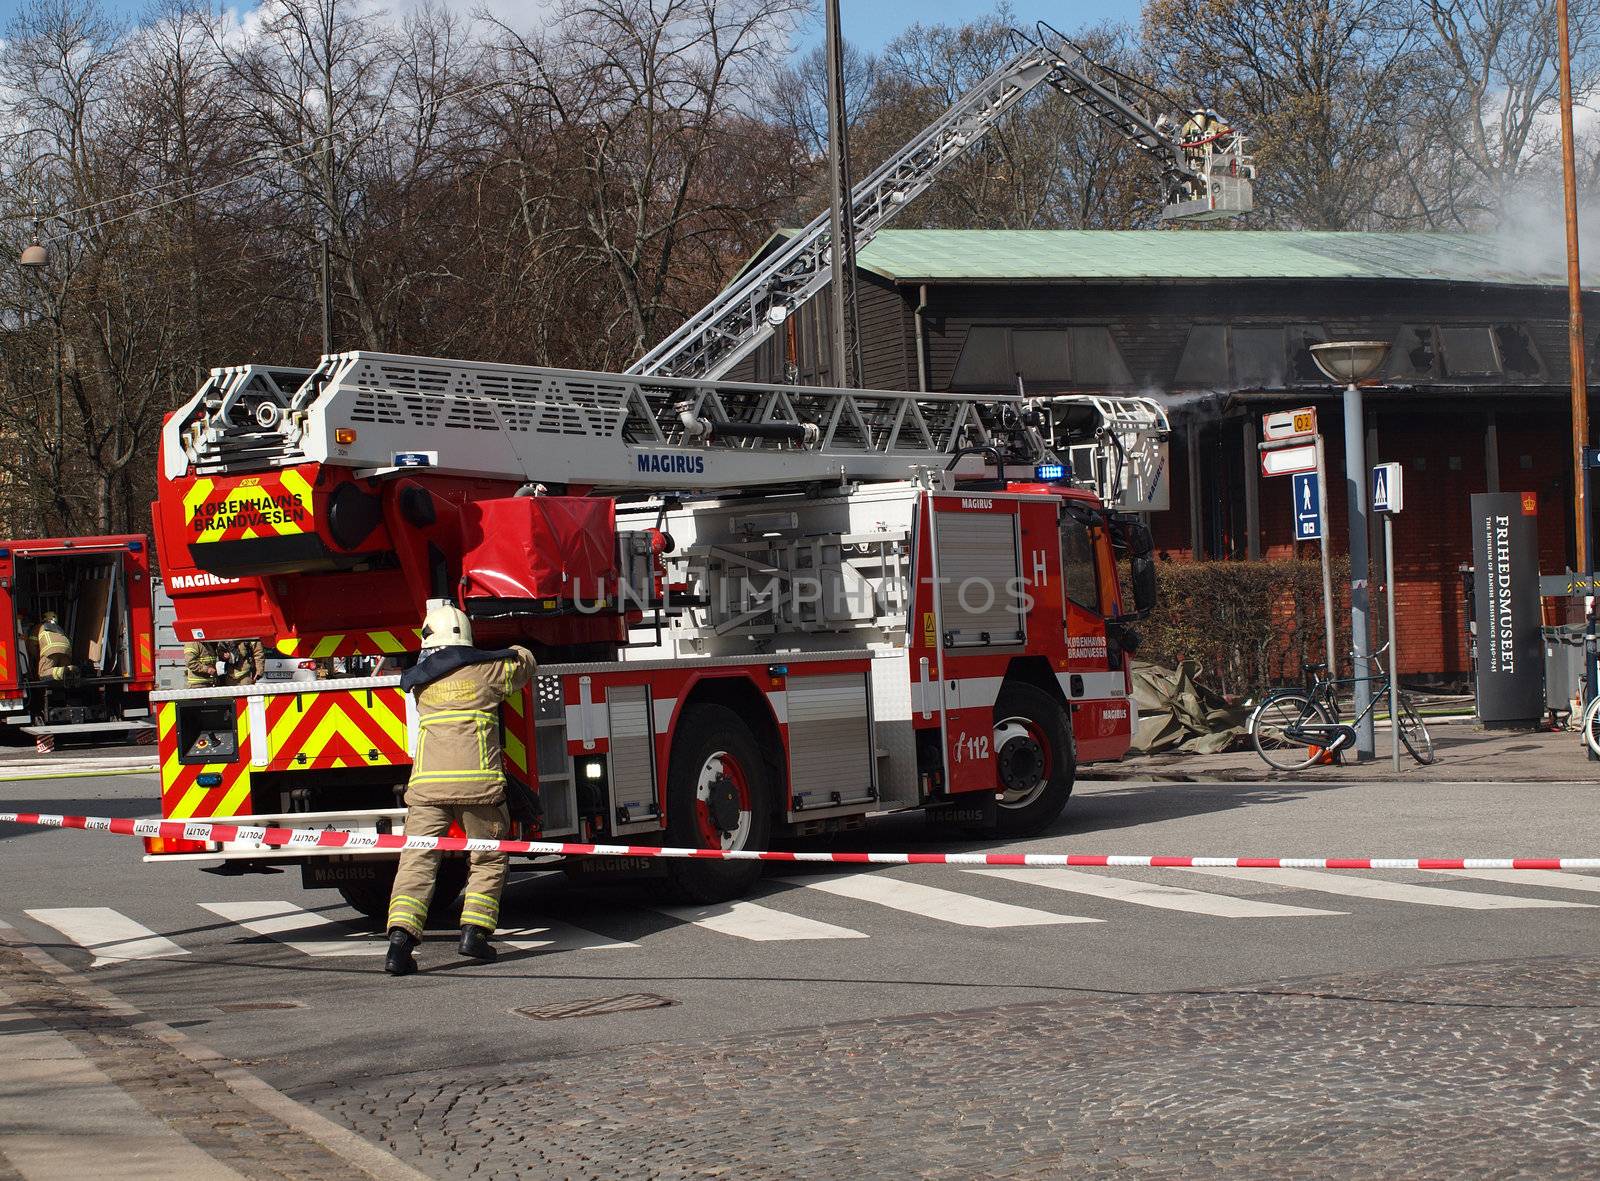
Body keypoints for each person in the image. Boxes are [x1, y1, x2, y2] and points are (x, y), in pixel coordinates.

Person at [384, 600, 537, 976]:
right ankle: (475, 934)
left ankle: (399, 945)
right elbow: (526, 664)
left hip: (427, 790)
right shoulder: (487, 673)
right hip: (480, 787)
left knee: (418, 861)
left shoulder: (421, 684)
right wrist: (513, 645)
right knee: (487, 857)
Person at [184, 638, 268, 688]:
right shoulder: (223, 635)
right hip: (229, 677)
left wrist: (259, 671)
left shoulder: (249, 636)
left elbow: (258, 653)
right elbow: (218, 650)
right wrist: (223, 655)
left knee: (244, 702)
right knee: (231, 704)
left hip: (245, 676)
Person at [33, 613, 75, 683]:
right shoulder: (59, 628)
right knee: (64, 676)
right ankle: (70, 669)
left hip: (51, 651)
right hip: (66, 651)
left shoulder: (39, 627)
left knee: (43, 674)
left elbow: (32, 645)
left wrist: (37, 658)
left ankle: (62, 671)